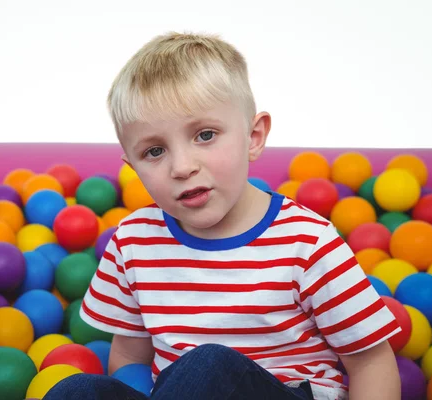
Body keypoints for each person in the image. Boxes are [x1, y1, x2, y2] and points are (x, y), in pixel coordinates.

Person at [44, 31, 401, 400]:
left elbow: (371, 363)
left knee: (207, 367)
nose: (182, 167)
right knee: (78, 390)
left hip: (286, 392)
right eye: (154, 152)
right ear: (132, 166)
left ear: (253, 136)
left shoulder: (307, 241)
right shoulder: (133, 242)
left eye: (205, 134)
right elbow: (129, 360)